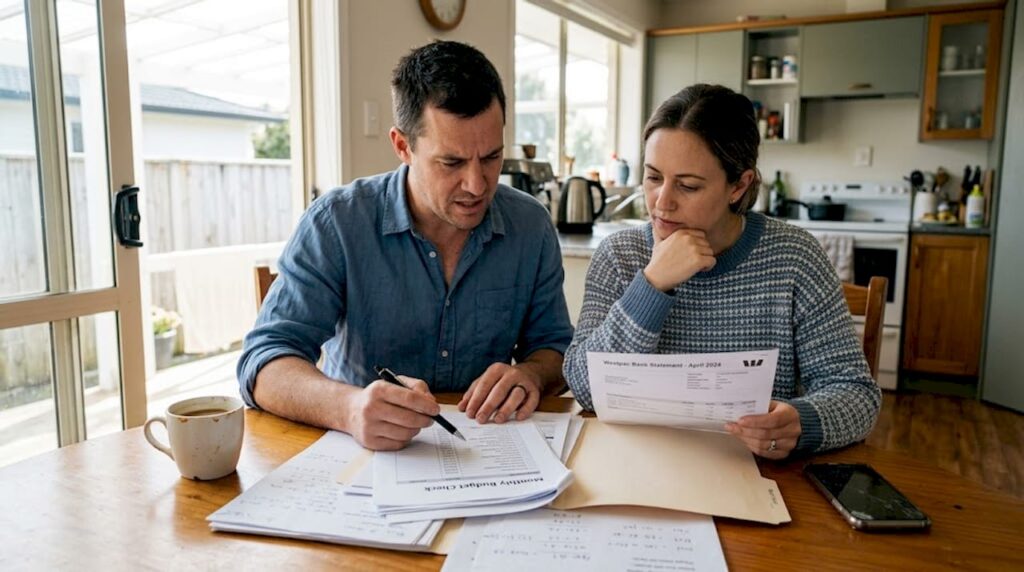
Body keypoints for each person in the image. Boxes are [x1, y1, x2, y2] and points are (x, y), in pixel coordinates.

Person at [238, 40, 573, 451]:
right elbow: (264, 361)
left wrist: (533, 374)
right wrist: (349, 407)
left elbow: (555, 348)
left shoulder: (530, 225)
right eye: (451, 162)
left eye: (491, 157)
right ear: (402, 146)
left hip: (490, 455)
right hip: (357, 457)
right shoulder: (337, 222)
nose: (477, 184)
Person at [563, 84, 880, 459]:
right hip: (639, 466)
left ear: (739, 185)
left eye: (688, 185)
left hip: (754, 473)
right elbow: (584, 386)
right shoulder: (620, 255)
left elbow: (856, 394)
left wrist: (801, 421)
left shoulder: (795, 258)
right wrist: (651, 286)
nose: (662, 203)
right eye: (653, 178)